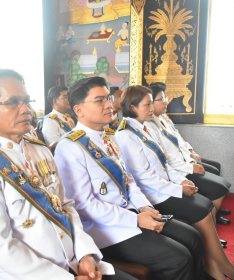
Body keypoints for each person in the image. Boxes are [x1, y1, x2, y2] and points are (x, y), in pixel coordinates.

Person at [0, 69, 135, 280]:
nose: (26, 109)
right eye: (14, 102)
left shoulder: (39, 150)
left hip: (72, 262)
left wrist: (85, 254)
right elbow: (0, 247)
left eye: (26, 101)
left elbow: (65, 205)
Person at [55, 77, 204, 280]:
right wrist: (135, 219)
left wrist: (145, 208)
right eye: (99, 100)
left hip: (133, 212)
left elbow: (128, 180)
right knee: (178, 258)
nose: (109, 105)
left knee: (193, 237)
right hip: (106, 228)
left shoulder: (108, 136)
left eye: (108, 98)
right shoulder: (70, 147)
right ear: (79, 109)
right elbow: (84, 206)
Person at [116, 85, 234, 279]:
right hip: (153, 194)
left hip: (166, 187)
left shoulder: (146, 127)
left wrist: (182, 182)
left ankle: (215, 268)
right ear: (133, 107)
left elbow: (164, 162)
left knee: (204, 204)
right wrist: (177, 190)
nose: (152, 108)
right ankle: (225, 267)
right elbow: (143, 177)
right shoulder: (126, 134)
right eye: (147, 104)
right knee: (201, 209)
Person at [147, 83, 231, 226]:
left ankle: (212, 214)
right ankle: (211, 219)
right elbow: (165, 156)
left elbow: (178, 139)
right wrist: (189, 166)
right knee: (219, 186)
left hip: (182, 161)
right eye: (161, 99)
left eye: (165, 98)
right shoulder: (147, 126)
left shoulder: (162, 118)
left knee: (215, 169)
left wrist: (191, 152)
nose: (165, 102)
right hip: (177, 170)